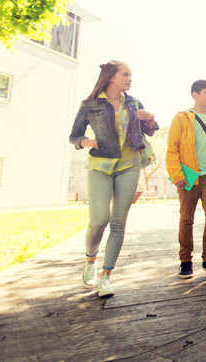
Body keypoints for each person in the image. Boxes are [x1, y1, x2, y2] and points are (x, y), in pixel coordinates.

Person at [69, 60, 159, 297]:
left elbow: (149, 130)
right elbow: (74, 136)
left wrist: (150, 119)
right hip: (100, 165)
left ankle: (106, 277)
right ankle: (91, 260)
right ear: (111, 77)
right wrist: (87, 142)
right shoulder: (90, 104)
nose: (130, 79)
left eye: (130, 75)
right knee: (99, 220)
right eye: (125, 75)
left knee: (119, 222)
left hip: (129, 165)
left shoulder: (133, 102)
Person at [167, 80, 206, 280]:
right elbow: (172, 148)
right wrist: (177, 175)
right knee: (187, 218)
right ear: (195, 94)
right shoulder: (182, 118)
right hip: (189, 175)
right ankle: (185, 261)